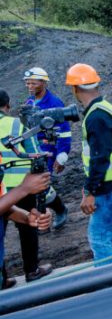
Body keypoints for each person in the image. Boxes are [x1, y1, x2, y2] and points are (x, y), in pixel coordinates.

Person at [67, 64, 112, 266]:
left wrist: (90, 191)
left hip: (110, 183)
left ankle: (106, 278)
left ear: (75, 88)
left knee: (98, 233)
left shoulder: (96, 116)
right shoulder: (104, 107)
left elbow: (100, 158)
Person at [0, 90, 53, 283]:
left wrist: (25, 216)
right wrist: (26, 187)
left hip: (8, 190)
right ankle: (32, 270)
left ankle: (3, 278)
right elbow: (35, 153)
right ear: (7, 106)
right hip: (23, 184)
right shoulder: (17, 124)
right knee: (27, 232)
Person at [22, 67, 69, 229]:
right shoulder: (29, 102)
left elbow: (64, 131)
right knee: (36, 186)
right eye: (27, 83)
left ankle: (60, 210)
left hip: (48, 150)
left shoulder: (54, 103)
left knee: (42, 185)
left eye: (33, 83)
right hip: (32, 150)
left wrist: (62, 155)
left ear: (43, 83)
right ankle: (43, 217)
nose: (29, 86)